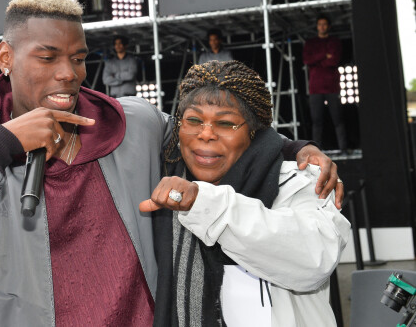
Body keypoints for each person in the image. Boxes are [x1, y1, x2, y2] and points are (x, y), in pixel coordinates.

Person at [0, 0, 342, 327]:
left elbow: (210, 132)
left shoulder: (136, 123)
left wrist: (291, 148)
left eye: (78, 57)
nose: (67, 73)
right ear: (6, 57)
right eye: (47, 57)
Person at [140, 60, 350, 326]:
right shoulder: (163, 177)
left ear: (254, 131)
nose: (206, 134)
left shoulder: (302, 179)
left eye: (226, 124)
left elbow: (315, 259)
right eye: (193, 120)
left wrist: (204, 203)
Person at [303, 15, 347, 151]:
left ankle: (343, 149)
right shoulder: (310, 43)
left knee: (338, 119)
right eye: (319, 24)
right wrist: (324, 54)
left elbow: (334, 60)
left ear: (328, 26)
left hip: (332, 87)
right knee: (317, 122)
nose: (322, 27)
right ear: (317, 26)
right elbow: (307, 60)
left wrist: (317, 59)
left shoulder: (334, 42)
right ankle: (317, 152)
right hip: (315, 88)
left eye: (324, 24)